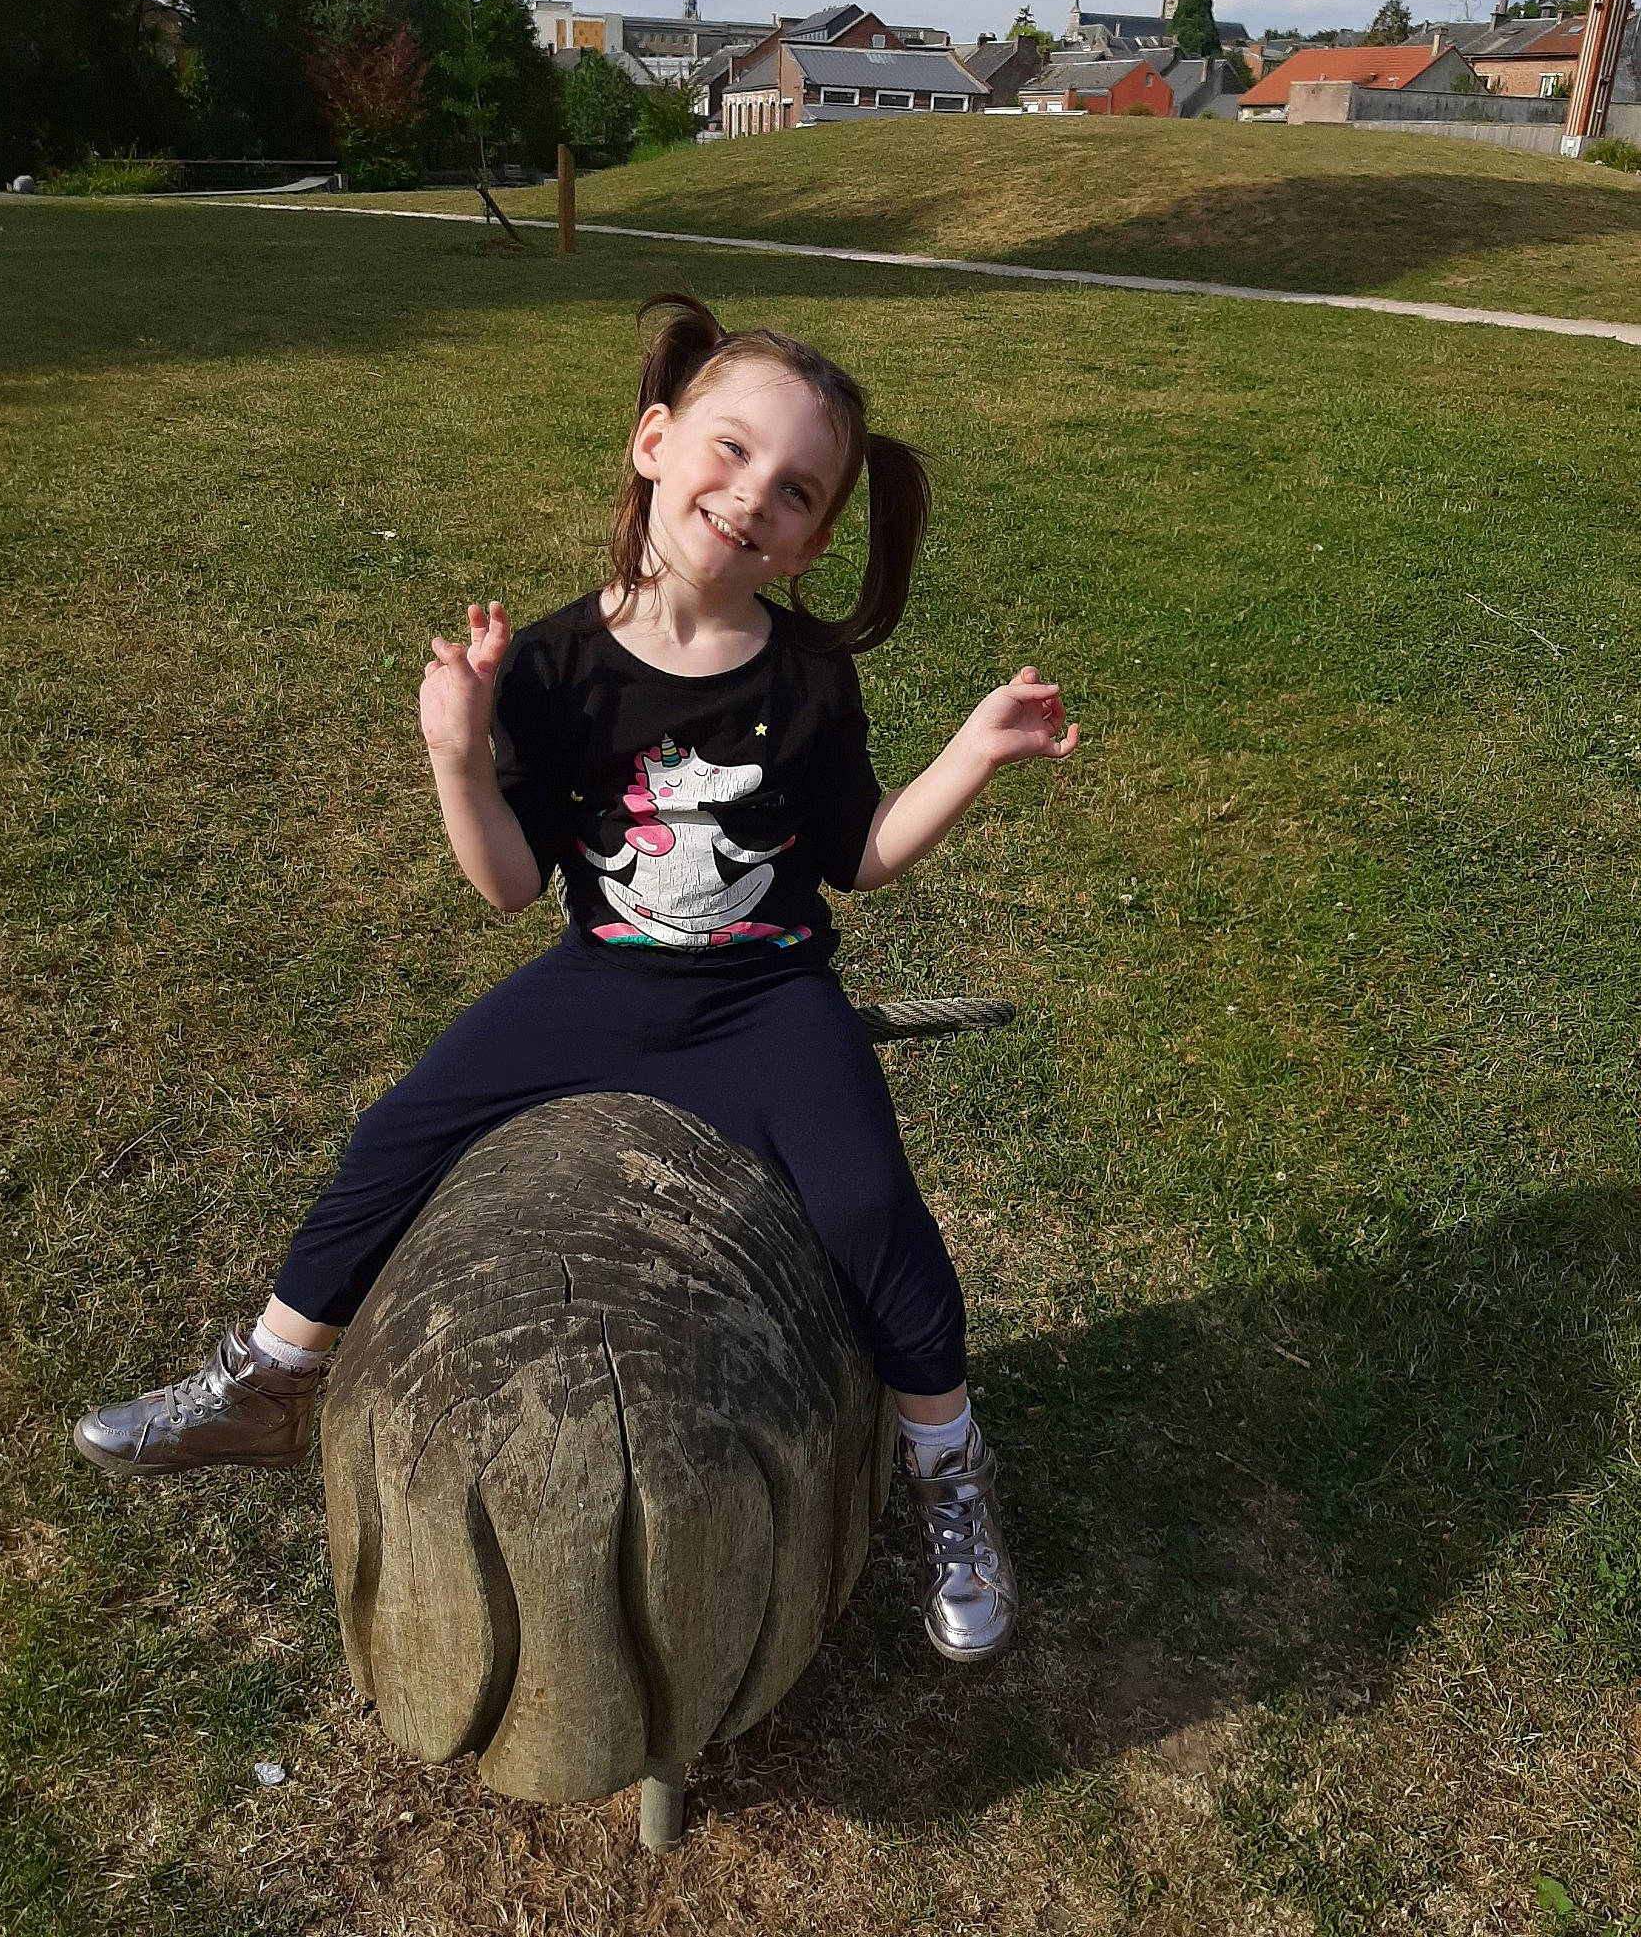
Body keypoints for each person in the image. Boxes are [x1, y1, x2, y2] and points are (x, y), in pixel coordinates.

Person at [73, 292, 1079, 1664]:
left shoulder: (810, 675)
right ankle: (267, 1379)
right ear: (655, 441)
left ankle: (947, 1473)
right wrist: (459, 752)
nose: (748, 499)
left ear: (813, 538)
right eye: (728, 453)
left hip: (767, 999)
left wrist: (970, 750)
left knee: (872, 1212)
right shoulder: (553, 666)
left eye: (792, 491)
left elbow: (857, 855)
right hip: (596, 983)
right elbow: (506, 883)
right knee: (400, 1132)